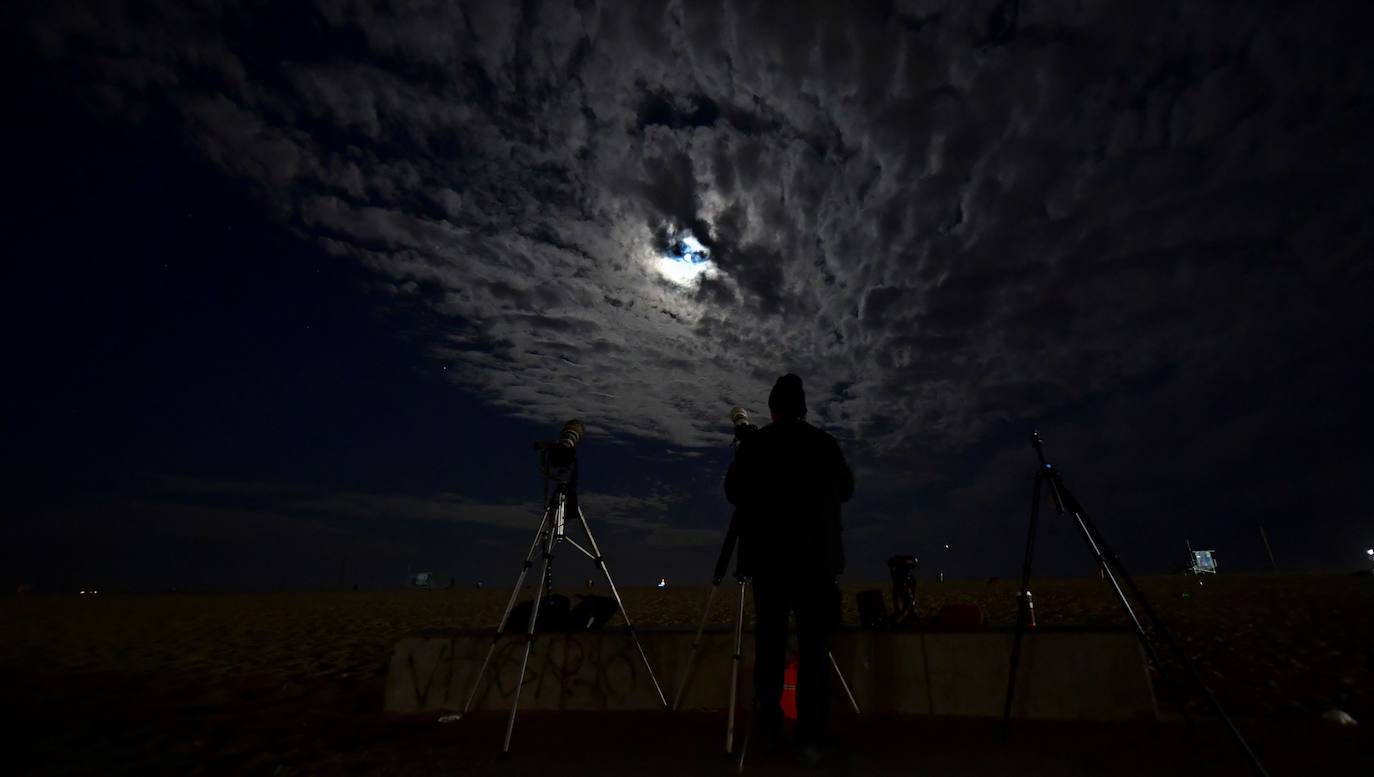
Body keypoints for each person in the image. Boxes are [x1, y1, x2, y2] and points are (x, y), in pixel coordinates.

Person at [724, 373, 854, 756]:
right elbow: (846, 488)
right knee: (814, 648)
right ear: (802, 408)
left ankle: (769, 727)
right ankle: (812, 733)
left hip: (769, 565)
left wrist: (748, 451)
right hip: (818, 564)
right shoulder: (824, 444)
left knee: (770, 646)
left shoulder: (757, 445)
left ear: (773, 409)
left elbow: (733, 492)